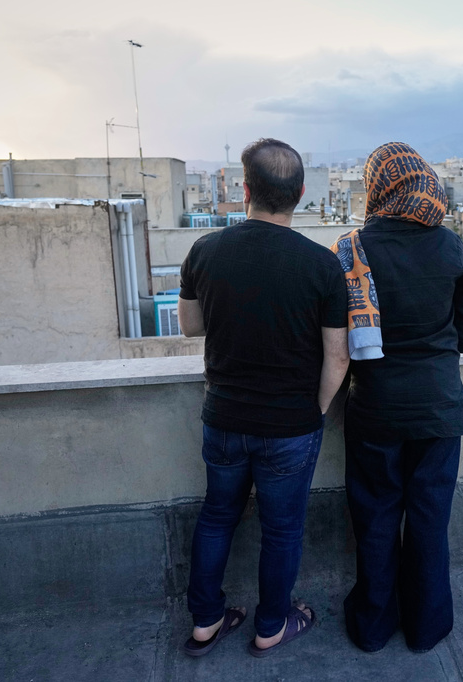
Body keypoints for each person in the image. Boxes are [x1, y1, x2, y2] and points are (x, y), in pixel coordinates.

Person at [177, 138, 350, 658]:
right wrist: (313, 411)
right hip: (290, 426)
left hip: (224, 416)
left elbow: (190, 327)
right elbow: (337, 359)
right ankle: (271, 625)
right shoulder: (323, 266)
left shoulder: (205, 250)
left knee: (216, 515)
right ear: (298, 193)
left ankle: (206, 621)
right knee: (282, 529)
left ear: (244, 189)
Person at [335, 141, 463, 654]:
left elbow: (340, 337)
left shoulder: (353, 248)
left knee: (375, 518)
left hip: (376, 406)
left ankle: (372, 627)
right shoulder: (451, 246)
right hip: (440, 407)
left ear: (378, 184)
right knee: (429, 520)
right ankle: (426, 626)